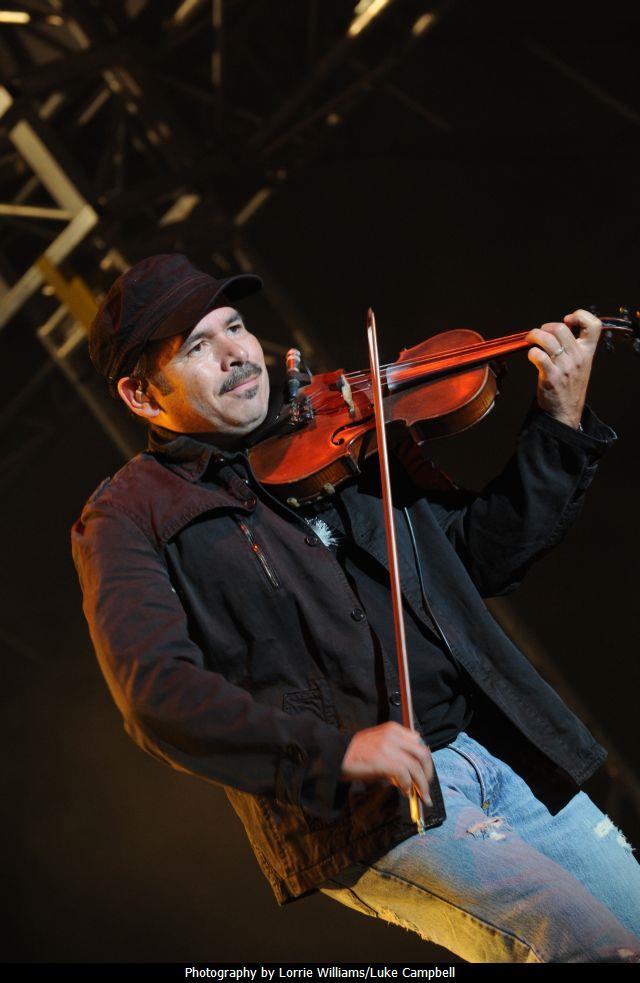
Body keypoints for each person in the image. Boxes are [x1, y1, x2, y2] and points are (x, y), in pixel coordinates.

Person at [71, 254, 640, 963]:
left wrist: (559, 423)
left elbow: (480, 559)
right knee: (592, 948)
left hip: (497, 748)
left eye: (235, 327)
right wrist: (338, 753)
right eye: (196, 347)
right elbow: (157, 694)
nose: (236, 354)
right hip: (382, 812)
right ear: (140, 395)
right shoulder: (128, 517)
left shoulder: (338, 428)